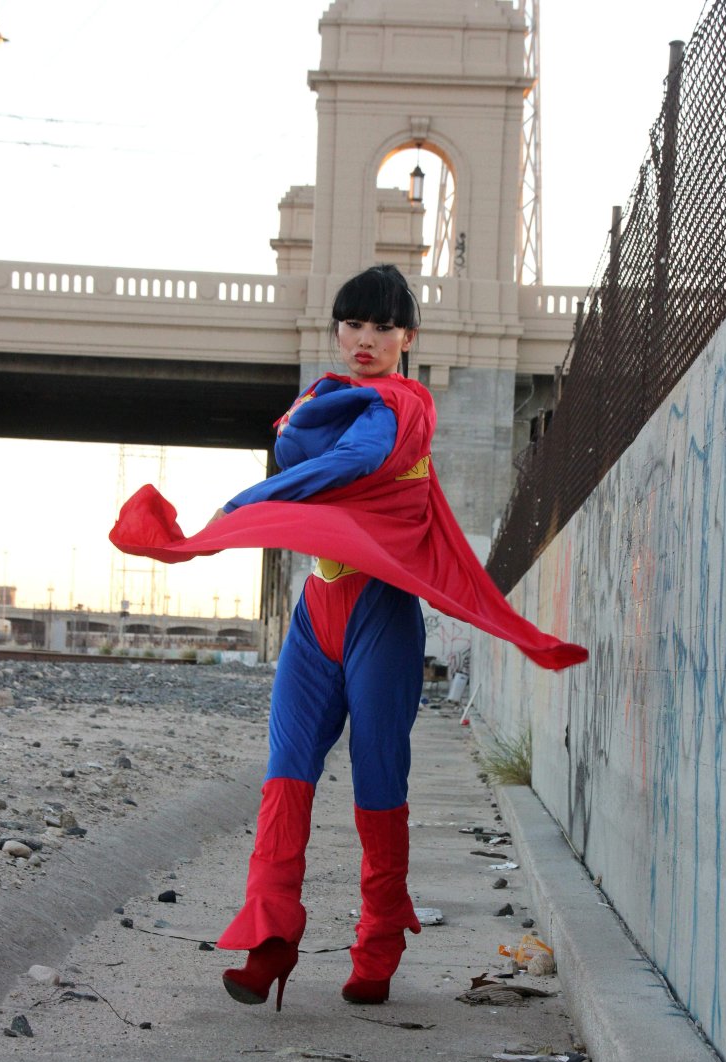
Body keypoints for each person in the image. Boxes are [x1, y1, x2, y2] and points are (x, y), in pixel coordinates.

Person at [109, 264, 587, 1011]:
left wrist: (248, 500)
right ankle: (269, 937)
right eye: (353, 324)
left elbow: (357, 461)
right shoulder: (318, 400)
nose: (365, 338)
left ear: (408, 338)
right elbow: (322, 458)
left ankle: (379, 943)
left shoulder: (405, 405)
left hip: (380, 615)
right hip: (316, 611)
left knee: (378, 780)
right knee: (286, 775)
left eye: (382, 327)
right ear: (337, 330)